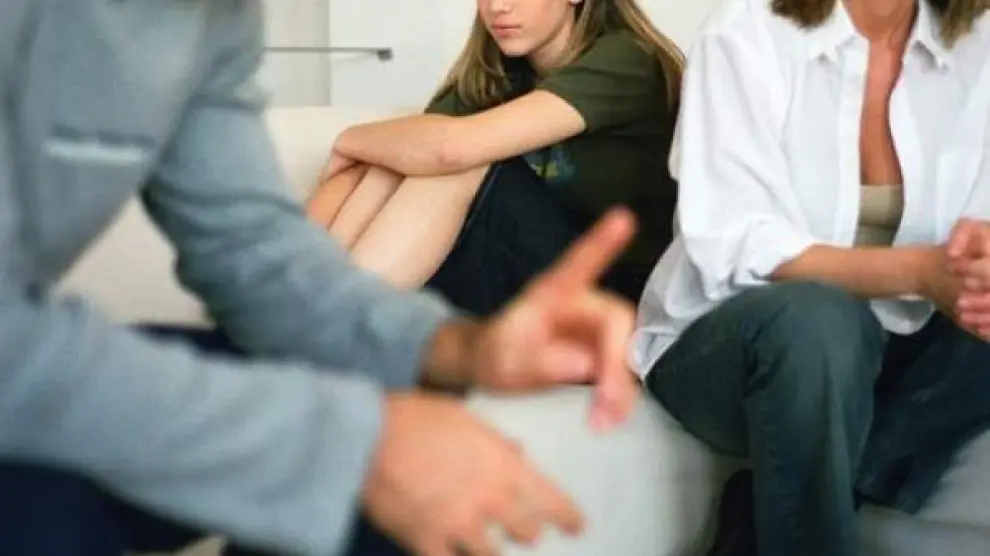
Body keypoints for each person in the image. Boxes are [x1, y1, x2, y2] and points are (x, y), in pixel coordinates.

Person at [0, 2, 643, 556]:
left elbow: (256, 256)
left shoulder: (213, 22)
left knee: (363, 429)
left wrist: (462, 349)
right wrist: (347, 439)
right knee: (357, 444)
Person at [630, 0, 990, 555]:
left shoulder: (979, 43)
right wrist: (921, 271)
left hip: (897, 345)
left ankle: (773, 515)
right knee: (819, 318)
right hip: (742, 344)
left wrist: (976, 265)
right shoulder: (744, 34)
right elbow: (731, 239)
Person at [305, 0, 683, 316]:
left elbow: (451, 150)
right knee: (402, 158)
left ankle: (334, 324)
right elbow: (403, 156)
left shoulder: (627, 60)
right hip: (521, 276)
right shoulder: (498, 71)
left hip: (611, 296)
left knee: (456, 162)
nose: (497, 7)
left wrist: (349, 139)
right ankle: (301, 310)